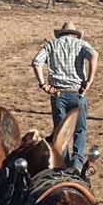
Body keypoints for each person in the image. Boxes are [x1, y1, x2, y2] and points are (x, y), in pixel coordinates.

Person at [31, 21, 95, 173]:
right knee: (80, 130)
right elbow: (94, 55)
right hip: (77, 92)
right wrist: (89, 81)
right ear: (75, 34)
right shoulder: (81, 44)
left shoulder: (51, 45)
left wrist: (43, 85)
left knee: (61, 131)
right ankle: (77, 165)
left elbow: (36, 63)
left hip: (58, 94)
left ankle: (64, 163)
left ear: (61, 33)